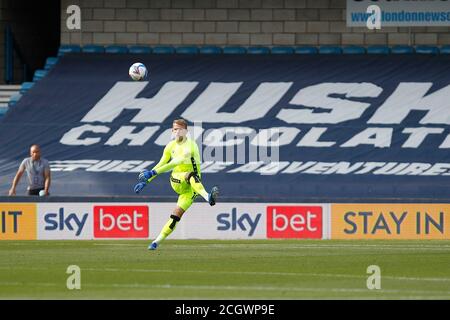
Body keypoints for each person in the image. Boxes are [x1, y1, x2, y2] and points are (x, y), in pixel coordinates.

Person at [134, 119, 219, 250]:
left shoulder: (190, 146)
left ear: (186, 132)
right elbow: (162, 164)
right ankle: (208, 197)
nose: (177, 131)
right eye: (175, 129)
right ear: (172, 131)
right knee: (190, 174)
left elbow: (176, 161)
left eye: (180, 129)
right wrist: (146, 181)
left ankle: (156, 242)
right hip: (177, 180)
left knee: (176, 216)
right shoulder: (170, 146)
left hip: (193, 188)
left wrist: (151, 173)